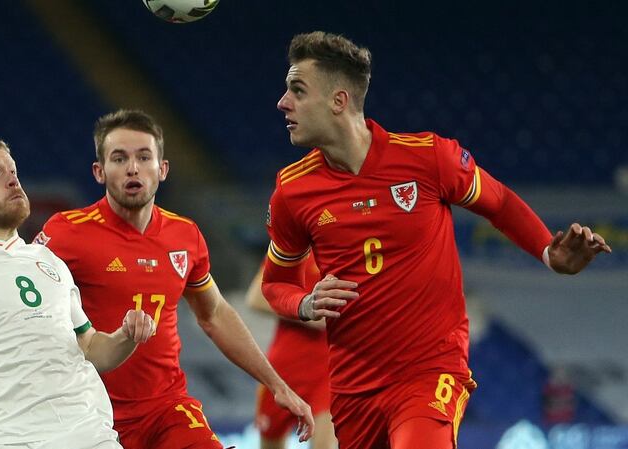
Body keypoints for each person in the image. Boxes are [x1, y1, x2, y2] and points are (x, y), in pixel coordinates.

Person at [262, 31, 612, 449]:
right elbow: (274, 283)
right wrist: (303, 302)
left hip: (429, 371)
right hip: (353, 389)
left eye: (297, 90)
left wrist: (546, 252)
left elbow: (497, 202)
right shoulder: (292, 190)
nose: (283, 102)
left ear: (339, 101)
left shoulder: (427, 157)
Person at [36, 109, 314, 449]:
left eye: (143, 157)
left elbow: (214, 314)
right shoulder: (65, 233)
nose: (133, 168)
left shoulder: (185, 236)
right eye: (119, 158)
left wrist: (277, 385)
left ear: (162, 169)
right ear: (99, 171)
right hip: (89, 414)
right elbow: (26, 308)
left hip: (166, 409)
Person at [0, 136, 156, 449]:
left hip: (93, 435)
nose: (12, 180)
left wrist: (126, 335)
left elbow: (91, 347)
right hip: (13, 440)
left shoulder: (49, 261)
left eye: (13, 172)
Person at [245, 254, 337, 449]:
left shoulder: (351, 251)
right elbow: (256, 297)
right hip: (284, 368)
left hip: (327, 370)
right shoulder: (295, 248)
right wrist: (304, 310)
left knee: (325, 445)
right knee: (271, 442)